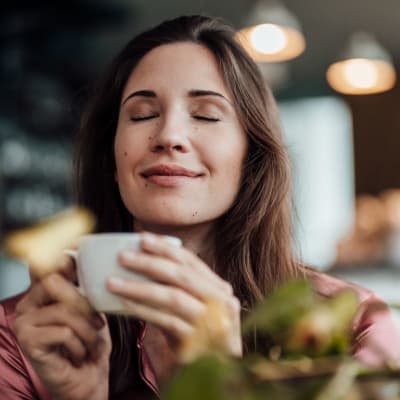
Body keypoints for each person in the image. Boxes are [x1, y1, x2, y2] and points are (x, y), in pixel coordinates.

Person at [1, 15, 399, 400]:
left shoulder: (352, 324)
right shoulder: (19, 337)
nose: (170, 135)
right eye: (143, 115)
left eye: (206, 115)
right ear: (113, 159)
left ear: (251, 157)